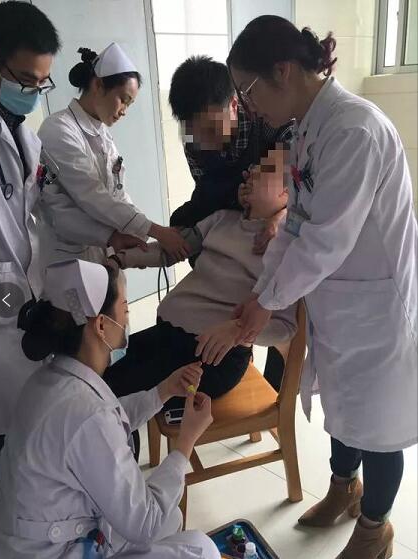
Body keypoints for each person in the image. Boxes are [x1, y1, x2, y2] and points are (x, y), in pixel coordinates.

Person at [226, 15, 417, 559]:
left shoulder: (355, 131)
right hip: (338, 299)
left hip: (376, 308)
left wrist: (267, 302)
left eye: (247, 91)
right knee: (341, 404)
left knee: (377, 422)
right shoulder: (307, 128)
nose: (246, 106)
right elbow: (295, 225)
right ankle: (343, 488)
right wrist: (263, 293)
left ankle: (375, 527)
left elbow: (325, 240)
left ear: (282, 71)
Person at [0, 259, 221, 559]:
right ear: (100, 325)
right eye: (125, 309)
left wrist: (162, 391)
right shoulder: (86, 412)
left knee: (171, 517)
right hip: (53, 551)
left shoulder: (48, 379)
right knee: (202, 548)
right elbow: (145, 524)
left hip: (30, 538)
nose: (127, 318)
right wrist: (185, 442)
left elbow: (105, 422)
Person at [103, 148, 296, 404]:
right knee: (98, 369)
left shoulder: (285, 249)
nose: (251, 172)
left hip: (211, 358)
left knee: (108, 393)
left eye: (265, 170)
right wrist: (120, 260)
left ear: (287, 193)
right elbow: (170, 250)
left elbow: (285, 328)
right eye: (254, 167)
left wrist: (239, 332)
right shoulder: (221, 219)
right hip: (168, 335)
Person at [0, 1, 60, 505]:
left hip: (16, 294)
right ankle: (9, 524)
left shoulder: (17, 124)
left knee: (25, 419)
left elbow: (33, 207)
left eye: (42, 83)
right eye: (25, 80)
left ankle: (30, 516)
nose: (32, 92)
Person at [168, 54, 293, 389]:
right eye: (197, 133)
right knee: (192, 233)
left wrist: (281, 215)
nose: (206, 141)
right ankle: (232, 349)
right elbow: (208, 195)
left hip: (278, 218)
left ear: (235, 105)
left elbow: (303, 188)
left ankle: (275, 384)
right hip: (236, 213)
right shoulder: (196, 141)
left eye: (212, 129)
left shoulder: (272, 121)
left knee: (276, 295)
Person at [38, 43, 188, 270]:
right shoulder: (58, 130)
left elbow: (117, 194)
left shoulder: (103, 135)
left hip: (106, 249)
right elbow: (93, 196)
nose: (124, 111)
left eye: (130, 104)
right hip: (68, 255)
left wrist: (140, 236)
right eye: (123, 99)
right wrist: (156, 230)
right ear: (98, 85)